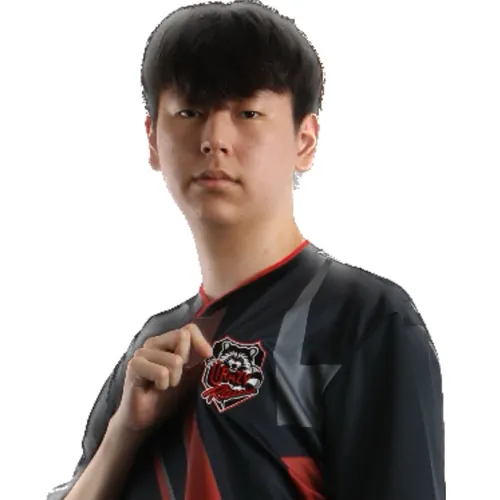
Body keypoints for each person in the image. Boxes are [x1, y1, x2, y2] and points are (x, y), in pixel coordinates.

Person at [47, 1, 446, 499]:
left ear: (305, 139)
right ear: (152, 139)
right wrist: (125, 433)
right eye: (189, 112)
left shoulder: (362, 322)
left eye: (248, 113)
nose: (214, 139)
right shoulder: (152, 346)